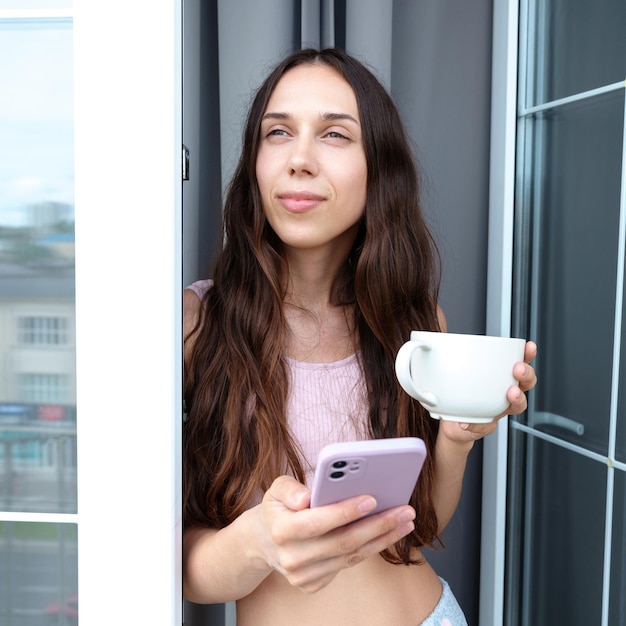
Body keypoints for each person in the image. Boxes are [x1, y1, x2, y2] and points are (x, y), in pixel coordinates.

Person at [182, 48, 537, 626]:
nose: (299, 160)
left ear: (379, 167)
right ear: (254, 162)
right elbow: (172, 568)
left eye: (334, 135)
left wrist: (458, 438)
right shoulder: (196, 324)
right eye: (278, 132)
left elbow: (415, 530)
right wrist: (256, 544)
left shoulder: (416, 326)